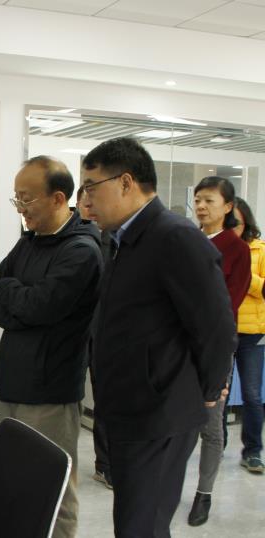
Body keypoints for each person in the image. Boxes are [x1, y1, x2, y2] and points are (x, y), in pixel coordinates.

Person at [79, 137, 235, 538]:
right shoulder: (123, 239)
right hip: (131, 407)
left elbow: (216, 327)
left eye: (92, 188)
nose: (87, 201)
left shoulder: (174, 237)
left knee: (141, 526)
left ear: (126, 182)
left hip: (160, 412)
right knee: (133, 520)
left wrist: (207, 391)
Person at [0, 156, 102, 538]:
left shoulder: (82, 250)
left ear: (58, 198)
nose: (20, 207)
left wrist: (16, 299)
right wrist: (21, 300)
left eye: (26, 198)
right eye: (16, 198)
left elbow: (40, 306)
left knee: (54, 489)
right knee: (16, 485)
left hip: (50, 392)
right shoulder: (30, 242)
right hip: (13, 384)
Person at [187, 176, 250, 526]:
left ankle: (204, 492)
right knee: (178, 420)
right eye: (198, 199)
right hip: (178, 346)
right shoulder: (186, 240)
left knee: (211, 426)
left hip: (213, 347)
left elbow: (228, 305)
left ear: (227, 207)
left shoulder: (236, 249)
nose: (201, 206)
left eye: (209, 200)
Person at [76, 185, 113, 490]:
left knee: (105, 399)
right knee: (68, 398)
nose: (89, 206)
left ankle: (106, 464)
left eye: (94, 200)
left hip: (104, 333)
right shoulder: (67, 236)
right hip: (73, 332)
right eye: (84, 201)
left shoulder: (115, 238)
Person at [231, 197, 265, 474]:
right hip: (222, 330)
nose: (233, 227)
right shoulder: (215, 247)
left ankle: (253, 451)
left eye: (237, 223)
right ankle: (216, 446)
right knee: (217, 395)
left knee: (252, 395)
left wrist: (243, 273)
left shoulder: (260, 250)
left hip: (252, 334)